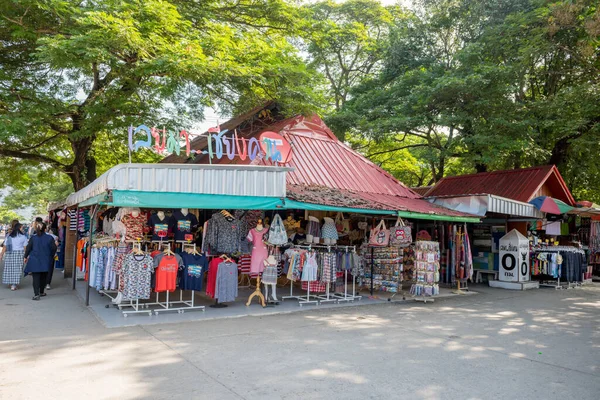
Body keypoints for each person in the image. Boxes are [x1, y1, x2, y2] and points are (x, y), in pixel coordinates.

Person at [24, 222, 57, 300]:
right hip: (46, 259)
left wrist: (25, 256)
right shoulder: (50, 238)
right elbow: (54, 248)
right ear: (45, 229)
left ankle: (36, 294)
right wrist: (51, 256)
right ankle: (41, 292)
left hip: (34, 259)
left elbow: (28, 248)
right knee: (43, 277)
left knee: (36, 277)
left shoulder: (33, 238)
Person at [0, 223, 28, 290]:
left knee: (10, 269)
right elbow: (25, 247)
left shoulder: (9, 236)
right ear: (19, 228)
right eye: (21, 228)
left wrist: (1, 254)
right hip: (19, 254)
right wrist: (26, 256)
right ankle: (14, 284)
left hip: (10, 253)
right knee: (17, 269)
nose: (22, 229)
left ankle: (11, 283)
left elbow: (5, 247)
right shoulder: (23, 237)